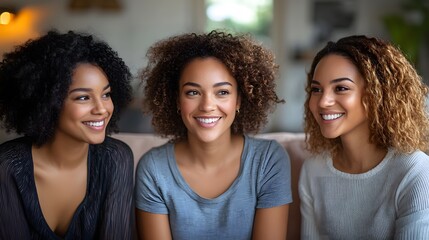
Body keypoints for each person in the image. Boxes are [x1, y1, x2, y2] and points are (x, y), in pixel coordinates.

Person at [134, 30, 292, 240]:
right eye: (193, 92)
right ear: (177, 101)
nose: (207, 105)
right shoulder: (154, 169)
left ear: (238, 100)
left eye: (222, 92)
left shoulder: (268, 160)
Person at [0, 30, 134, 239]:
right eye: (83, 98)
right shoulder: (7, 165)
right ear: (47, 103)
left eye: (106, 94)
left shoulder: (116, 158)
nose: (102, 109)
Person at [299, 35, 429, 239]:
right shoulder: (312, 170)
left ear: (377, 94)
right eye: (316, 89)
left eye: (341, 88)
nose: (323, 101)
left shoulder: (414, 170)